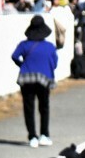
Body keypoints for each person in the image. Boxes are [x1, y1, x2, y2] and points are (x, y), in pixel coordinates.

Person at [11, 15, 58, 149]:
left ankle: (32, 137)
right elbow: (54, 64)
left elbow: (14, 56)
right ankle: (44, 135)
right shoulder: (50, 47)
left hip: (26, 78)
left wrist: (22, 65)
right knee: (44, 107)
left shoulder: (24, 45)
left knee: (28, 107)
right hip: (43, 79)